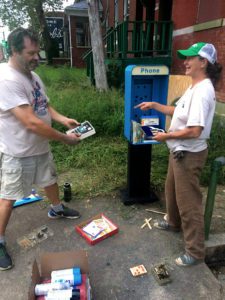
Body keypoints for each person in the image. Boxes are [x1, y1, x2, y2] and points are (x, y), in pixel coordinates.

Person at [0, 27, 82, 271]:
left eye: (38, 52)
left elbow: (44, 106)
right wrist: (64, 138)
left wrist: (62, 118)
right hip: (18, 152)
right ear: (14, 51)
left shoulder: (32, 76)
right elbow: (31, 121)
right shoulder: (6, 80)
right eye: (31, 52)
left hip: (40, 147)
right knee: (8, 198)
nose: (37, 57)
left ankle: (56, 209)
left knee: (50, 179)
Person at [136, 42, 222, 266]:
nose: (185, 62)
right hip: (178, 151)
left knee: (189, 203)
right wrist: (156, 105)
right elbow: (179, 111)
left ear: (203, 62)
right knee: (171, 190)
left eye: (190, 58)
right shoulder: (194, 86)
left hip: (188, 154)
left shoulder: (204, 91)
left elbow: (195, 130)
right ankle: (173, 223)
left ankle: (195, 252)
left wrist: (166, 136)